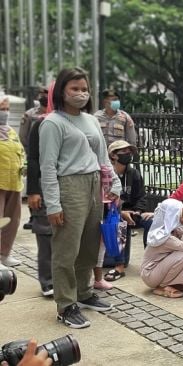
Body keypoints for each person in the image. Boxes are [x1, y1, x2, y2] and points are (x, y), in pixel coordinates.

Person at [39, 67, 121, 329]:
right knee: (66, 248)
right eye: (74, 88)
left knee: (88, 244)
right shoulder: (53, 123)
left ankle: (84, 293)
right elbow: (48, 166)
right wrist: (53, 204)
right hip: (68, 186)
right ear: (62, 90)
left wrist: (114, 184)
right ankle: (65, 304)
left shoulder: (91, 120)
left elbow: (103, 157)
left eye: (84, 89)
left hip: (94, 183)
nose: (81, 93)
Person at [101, 140, 148, 283]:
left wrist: (138, 211)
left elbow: (141, 196)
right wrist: (122, 213)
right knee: (119, 223)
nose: (128, 155)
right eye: (124, 153)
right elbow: (103, 202)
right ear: (113, 156)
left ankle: (150, 261)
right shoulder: (106, 175)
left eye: (130, 152)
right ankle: (119, 266)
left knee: (152, 222)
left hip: (132, 213)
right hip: (112, 215)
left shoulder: (133, 173)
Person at [140, 198, 183, 298]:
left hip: (156, 270)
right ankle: (162, 286)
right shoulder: (163, 236)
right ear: (172, 215)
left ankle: (173, 283)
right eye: (180, 213)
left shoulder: (172, 228)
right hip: (150, 274)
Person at [26, 99, 54, 296]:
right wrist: (33, 190)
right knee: (45, 235)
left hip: (67, 186)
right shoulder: (40, 123)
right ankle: (48, 281)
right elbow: (33, 158)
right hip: (44, 185)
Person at [0, 93, 25, 268]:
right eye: (2, 109)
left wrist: (23, 165)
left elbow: (21, 151)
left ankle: (5, 254)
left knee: (12, 220)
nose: (6, 112)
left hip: (14, 183)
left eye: (7, 109)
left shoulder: (10, 130)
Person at [20, 86, 48, 230]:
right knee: (34, 184)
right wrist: (30, 152)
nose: (44, 96)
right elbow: (23, 136)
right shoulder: (30, 114)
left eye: (46, 94)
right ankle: (33, 216)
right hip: (34, 155)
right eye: (42, 94)